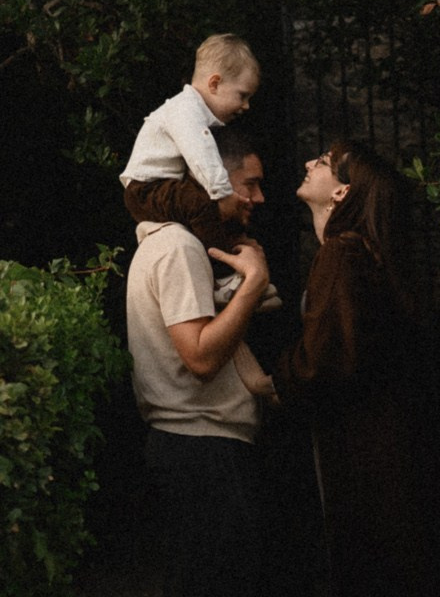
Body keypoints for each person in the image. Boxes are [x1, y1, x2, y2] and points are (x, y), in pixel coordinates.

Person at [124, 125, 275, 597]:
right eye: (249, 184)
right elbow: (201, 357)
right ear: (215, 180)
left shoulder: (181, 244)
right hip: (201, 452)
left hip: (199, 448)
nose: (259, 197)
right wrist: (252, 285)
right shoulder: (179, 248)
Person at [274, 139, 429, 597]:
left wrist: (271, 378)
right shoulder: (359, 251)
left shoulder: (343, 252)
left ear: (341, 193)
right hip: (380, 437)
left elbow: (323, 357)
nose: (308, 162)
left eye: (322, 162)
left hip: (360, 440)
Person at [120, 33, 276, 308]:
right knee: (204, 206)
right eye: (242, 95)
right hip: (146, 189)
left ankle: (239, 261)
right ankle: (223, 278)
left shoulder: (194, 112)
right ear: (214, 83)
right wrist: (223, 193)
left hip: (162, 186)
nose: (246, 106)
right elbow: (200, 153)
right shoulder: (185, 111)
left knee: (210, 210)